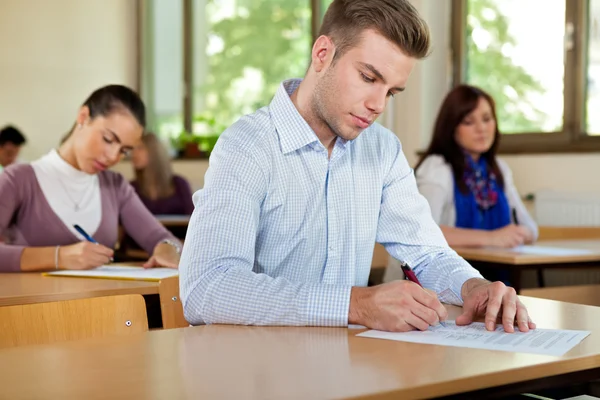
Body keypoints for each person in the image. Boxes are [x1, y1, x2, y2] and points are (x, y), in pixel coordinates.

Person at [179, 0, 535, 334]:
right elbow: (208, 286)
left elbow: (426, 253)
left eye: (392, 92)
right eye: (368, 77)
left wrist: (472, 286)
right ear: (323, 54)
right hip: (257, 373)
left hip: (348, 365)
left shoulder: (382, 149)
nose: (378, 105)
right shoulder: (247, 145)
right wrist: (356, 304)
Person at [0, 84, 182, 272]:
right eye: (108, 139)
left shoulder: (116, 186)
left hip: (108, 301)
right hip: (35, 301)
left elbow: (164, 239)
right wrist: (58, 257)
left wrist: (168, 249)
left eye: (124, 151)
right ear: (83, 117)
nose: (113, 156)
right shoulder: (18, 180)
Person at [412, 84, 538, 248]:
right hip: (437, 271)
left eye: (487, 119)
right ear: (451, 128)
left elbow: (531, 229)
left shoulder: (498, 169)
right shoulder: (437, 168)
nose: (481, 129)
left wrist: (518, 234)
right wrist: (492, 238)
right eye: (468, 122)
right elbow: (423, 231)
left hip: (489, 268)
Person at [130, 133, 194, 216]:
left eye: (140, 148)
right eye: (132, 149)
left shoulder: (179, 184)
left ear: (154, 152)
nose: (134, 153)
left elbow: (192, 217)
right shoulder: (131, 188)